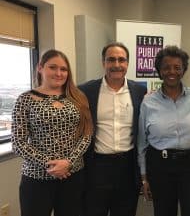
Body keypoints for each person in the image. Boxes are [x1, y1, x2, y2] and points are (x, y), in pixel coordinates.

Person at [11, 49, 93, 216]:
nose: (59, 73)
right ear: (40, 68)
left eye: (63, 69)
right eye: (52, 67)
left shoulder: (78, 97)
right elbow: (18, 143)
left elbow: (87, 134)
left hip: (73, 175)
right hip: (36, 178)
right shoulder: (25, 99)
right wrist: (50, 164)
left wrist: (68, 162)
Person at [137, 45, 190, 216]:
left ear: (184, 70)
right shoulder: (148, 102)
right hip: (160, 165)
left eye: (177, 67)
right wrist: (144, 176)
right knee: (163, 211)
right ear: (159, 71)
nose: (172, 71)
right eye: (166, 67)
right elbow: (142, 142)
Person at [79, 42, 147, 216]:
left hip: (127, 167)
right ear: (103, 63)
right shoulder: (86, 91)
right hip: (96, 168)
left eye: (121, 60)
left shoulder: (140, 91)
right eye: (111, 60)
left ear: (127, 63)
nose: (116, 65)